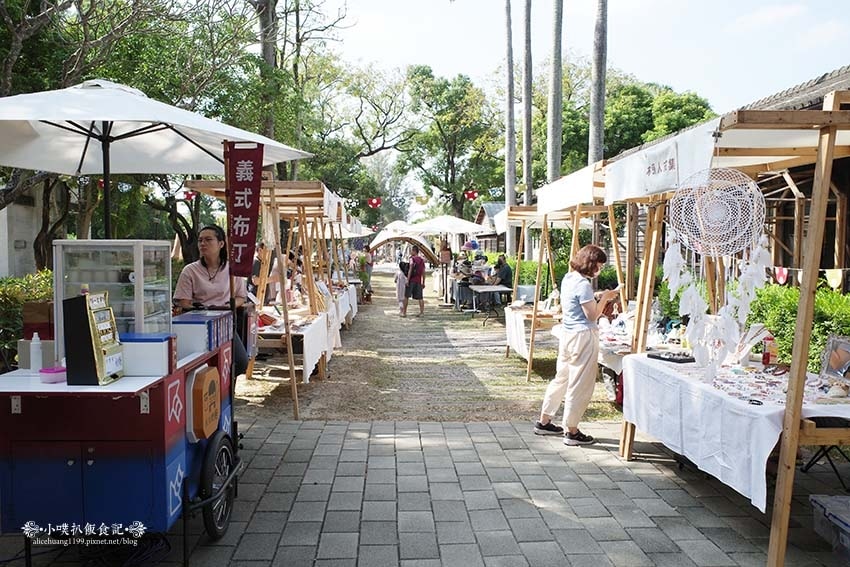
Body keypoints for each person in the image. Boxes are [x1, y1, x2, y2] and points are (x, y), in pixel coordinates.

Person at [534, 244, 619, 445]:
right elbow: (592, 315)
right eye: (599, 265)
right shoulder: (583, 284)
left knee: (561, 378)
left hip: (568, 334)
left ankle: (544, 420)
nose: (600, 269)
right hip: (583, 336)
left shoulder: (569, 278)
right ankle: (571, 430)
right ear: (591, 264)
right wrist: (606, 298)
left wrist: (597, 296)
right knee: (579, 384)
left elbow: (577, 303)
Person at [174, 225, 249, 376]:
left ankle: (228, 393)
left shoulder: (232, 269)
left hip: (225, 323)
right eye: (200, 240)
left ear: (221, 244)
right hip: (198, 327)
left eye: (208, 240)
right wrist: (199, 309)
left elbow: (241, 296)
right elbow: (183, 302)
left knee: (239, 362)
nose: (203, 244)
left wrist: (231, 305)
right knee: (204, 366)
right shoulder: (190, 270)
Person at [403, 245, 426, 317]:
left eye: (411, 250)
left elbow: (410, 269)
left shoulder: (412, 259)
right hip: (418, 280)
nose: (410, 252)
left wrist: (407, 280)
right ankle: (422, 312)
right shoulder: (422, 260)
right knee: (420, 297)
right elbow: (423, 271)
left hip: (412, 280)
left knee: (406, 296)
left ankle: (404, 312)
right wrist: (423, 282)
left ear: (414, 251)